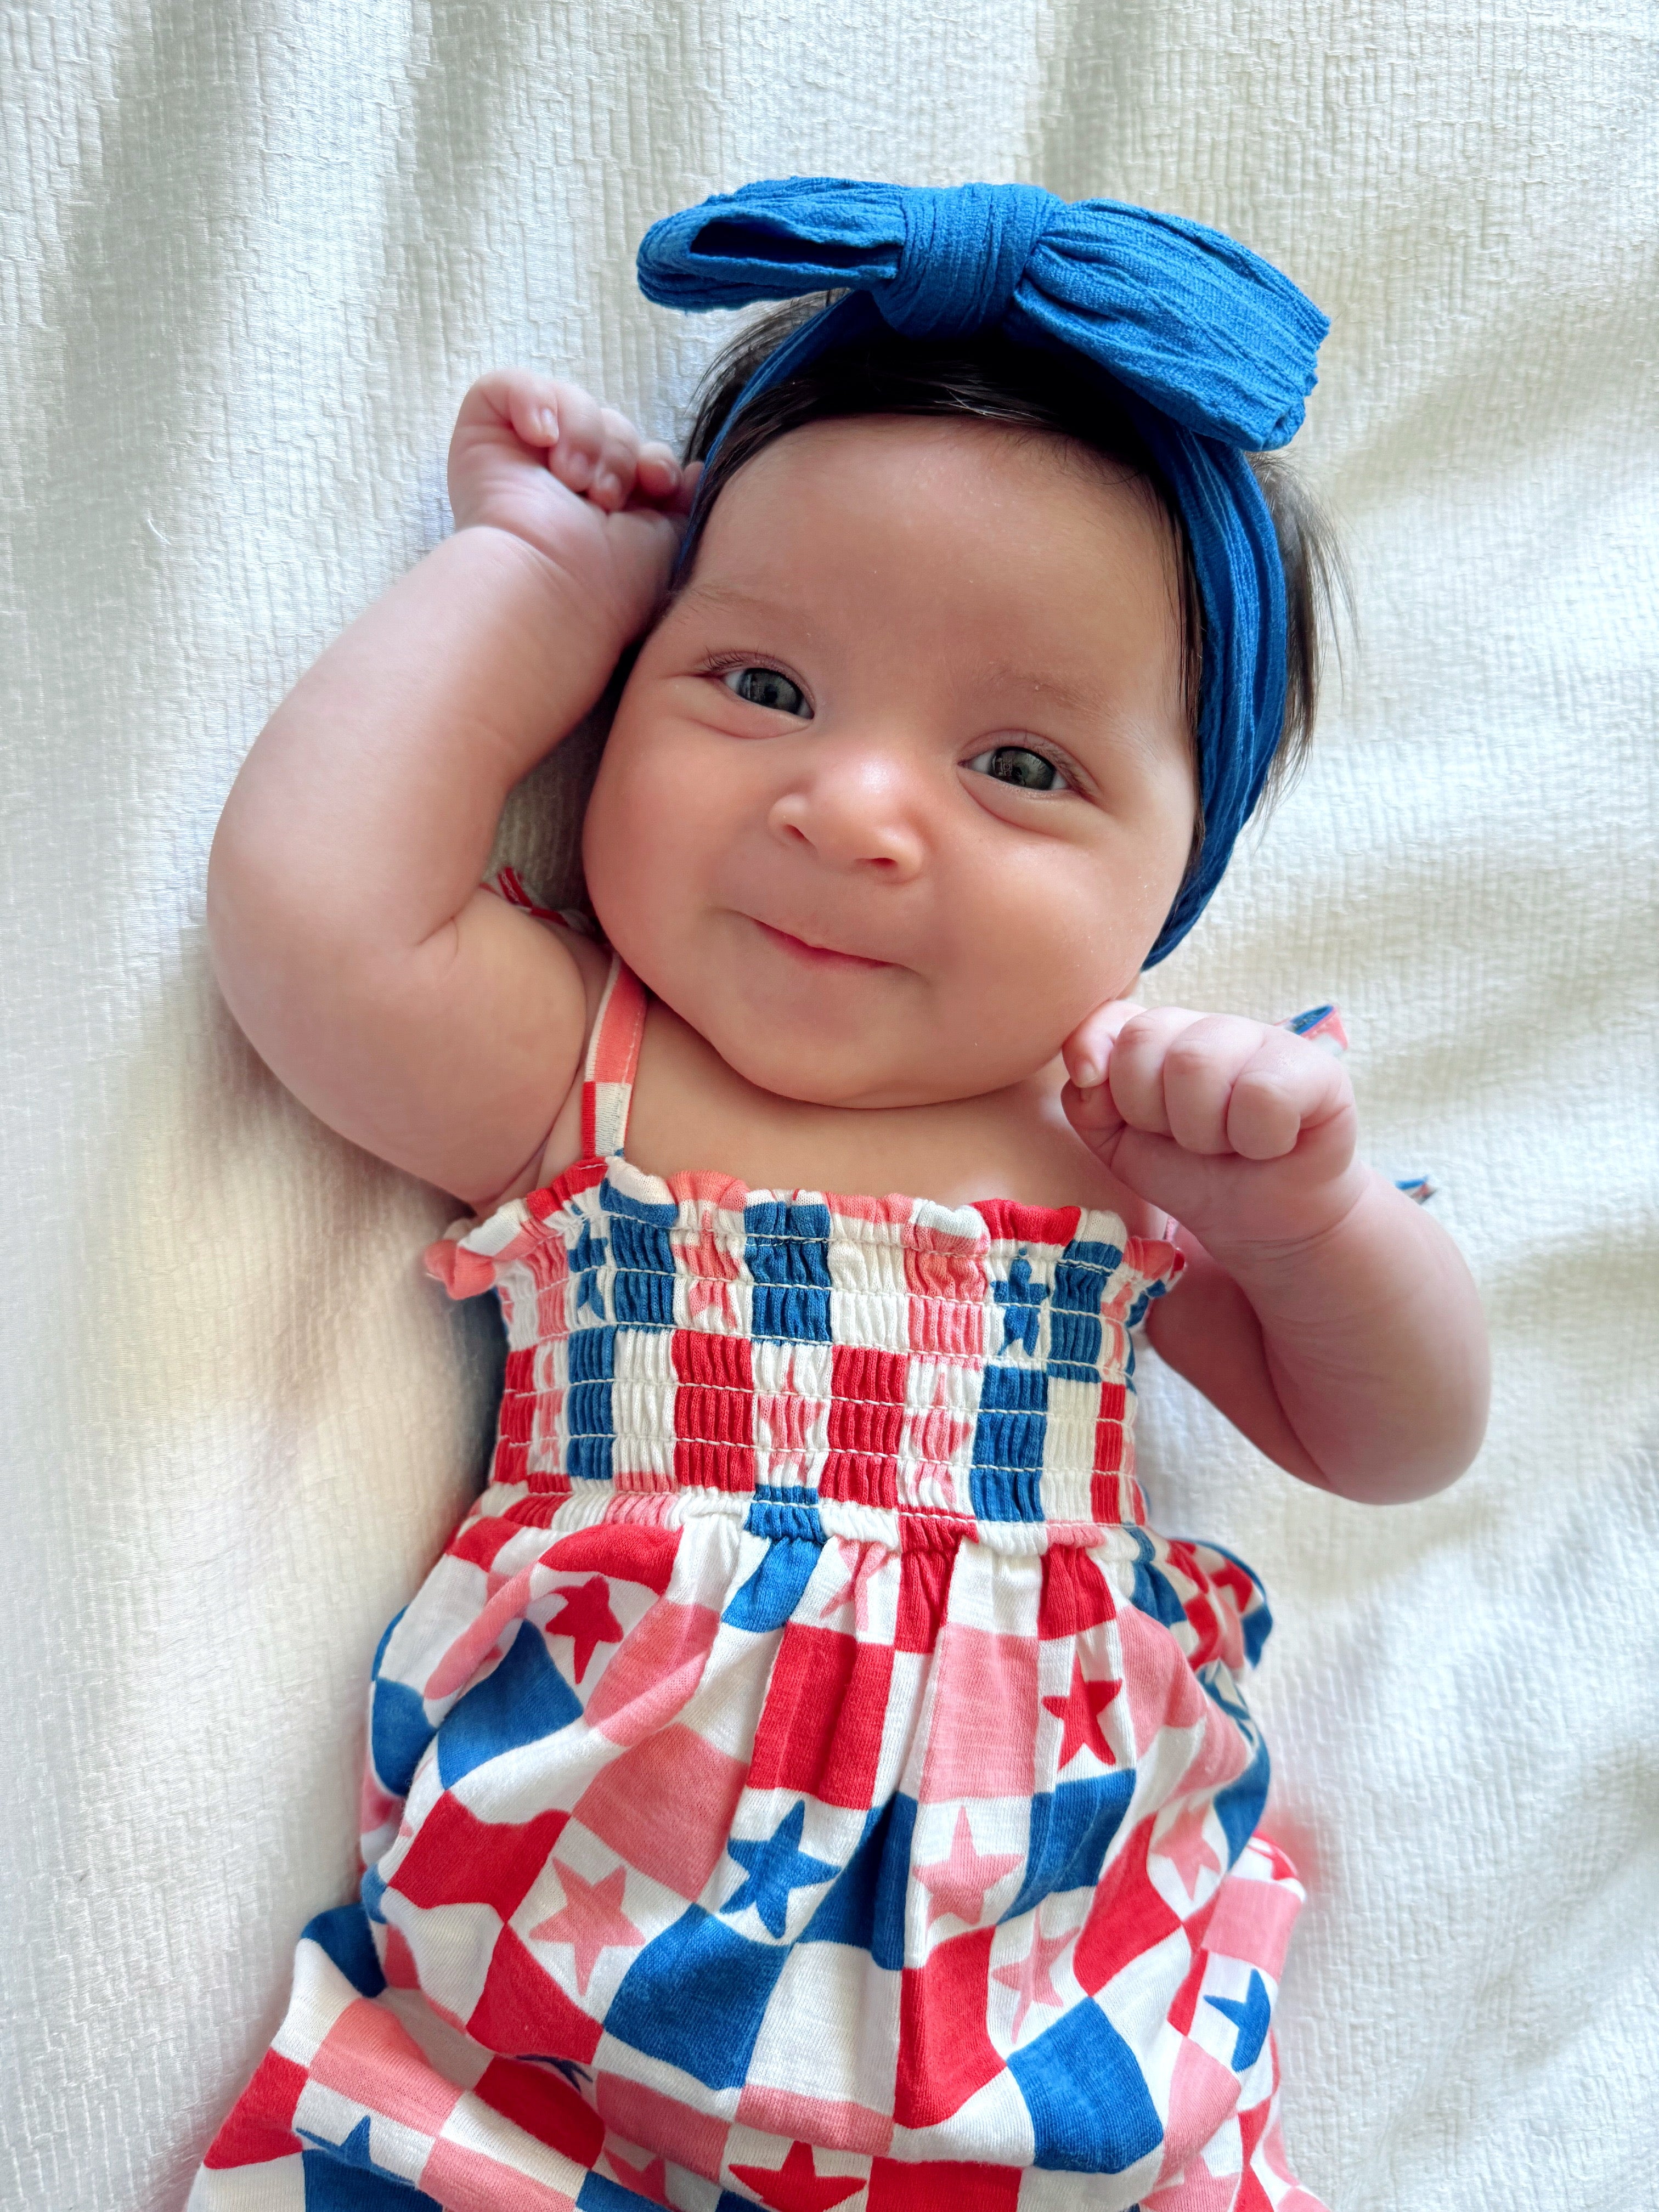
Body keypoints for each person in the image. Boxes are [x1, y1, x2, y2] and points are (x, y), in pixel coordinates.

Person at [191, 180, 1488, 2211]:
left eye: (1022, 767)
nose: (853, 808)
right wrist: (532, 581)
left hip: (1064, 2051)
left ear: (1179, 879)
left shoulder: (1134, 1141)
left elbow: (1397, 1438)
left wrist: (1311, 1222)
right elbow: (310, 921)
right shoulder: (588, 1072)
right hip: (553, 2058)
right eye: (761, 687)